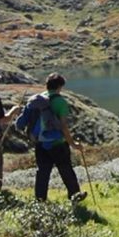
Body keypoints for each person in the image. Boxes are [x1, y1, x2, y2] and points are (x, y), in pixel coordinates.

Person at [32, 73, 87, 203]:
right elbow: (63, 127)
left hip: (40, 142)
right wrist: (73, 143)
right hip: (57, 144)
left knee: (42, 172)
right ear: (59, 86)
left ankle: (40, 200)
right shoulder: (60, 101)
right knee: (66, 169)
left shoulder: (38, 99)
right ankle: (75, 196)